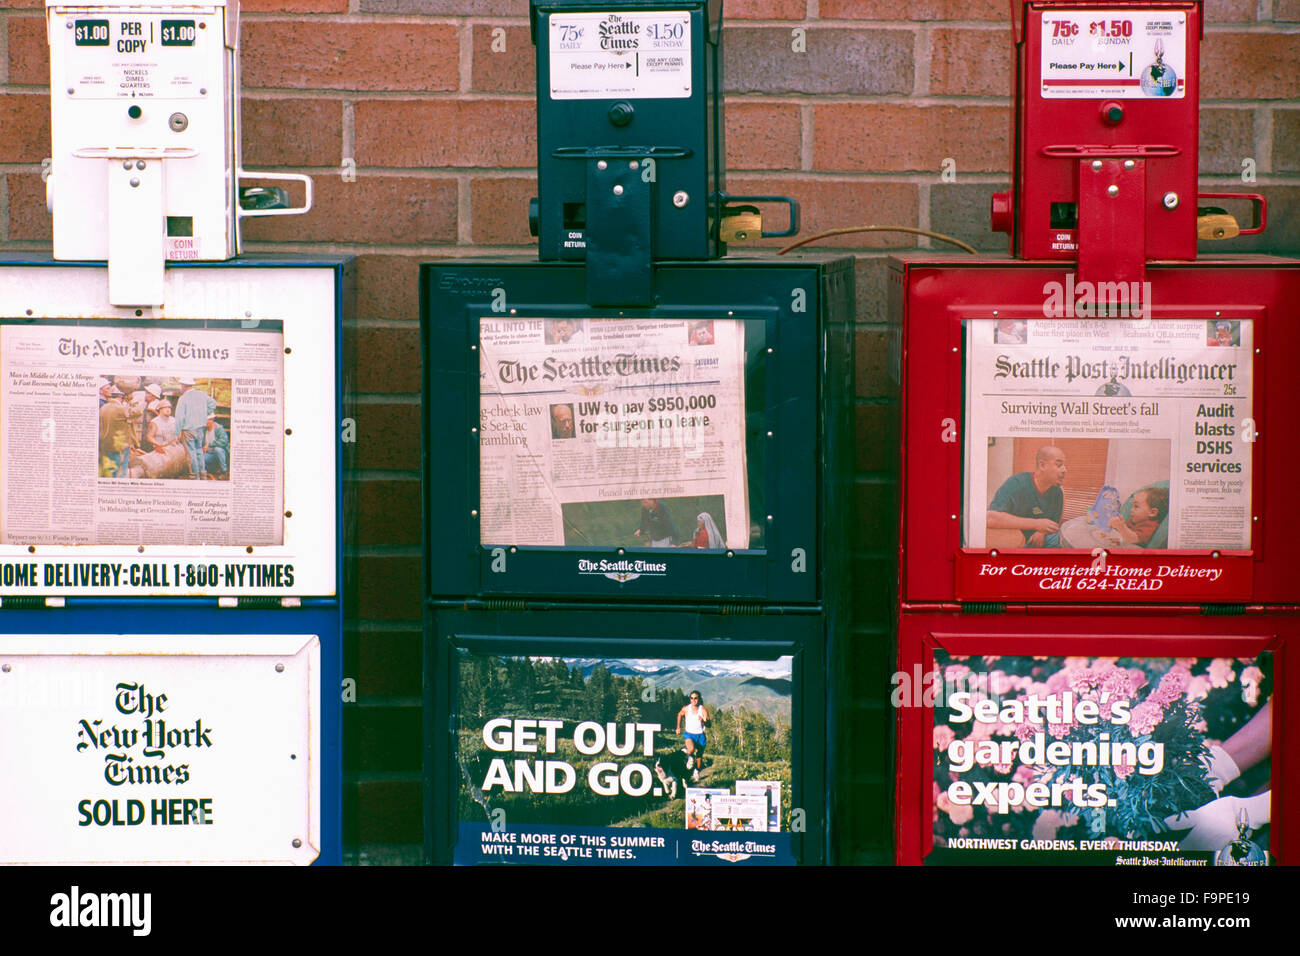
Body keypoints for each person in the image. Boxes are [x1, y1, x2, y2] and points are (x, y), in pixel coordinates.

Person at [986, 445, 1066, 547]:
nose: (1064, 470)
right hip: (1013, 540)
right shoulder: (1016, 483)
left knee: (1062, 541)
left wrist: (1042, 532)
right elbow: (990, 518)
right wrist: (1037, 524)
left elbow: (1053, 524)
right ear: (1042, 465)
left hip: (1040, 540)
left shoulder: (1057, 492)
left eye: (1064, 465)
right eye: (1059, 465)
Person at [174, 377, 217, 479]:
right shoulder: (201, 394)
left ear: (184, 385)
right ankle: (203, 474)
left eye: (181, 385)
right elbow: (213, 404)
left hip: (188, 429)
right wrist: (205, 413)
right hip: (200, 428)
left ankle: (194, 476)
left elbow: (180, 418)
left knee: (191, 454)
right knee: (199, 451)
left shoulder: (183, 398)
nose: (181, 387)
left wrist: (177, 433)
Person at [676, 692, 710, 782]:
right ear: (690, 699)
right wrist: (678, 727)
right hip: (689, 734)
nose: (693, 700)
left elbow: (709, 724)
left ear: (699, 699)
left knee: (699, 756)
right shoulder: (687, 708)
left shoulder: (702, 710)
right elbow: (679, 714)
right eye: (691, 698)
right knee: (691, 749)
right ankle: (690, 758)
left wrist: (703, 720)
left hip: (700, 735)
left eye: (696, 698)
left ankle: (697, 771)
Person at [202, 413, 230, 479]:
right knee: (201, 458)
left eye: (208, 420)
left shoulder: (219, 428)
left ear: (212, 420)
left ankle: (224, 471)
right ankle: (213, 470)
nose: (206, 422)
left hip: (221, 454)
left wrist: (210, 444)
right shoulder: (204, 430)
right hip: (210, 455)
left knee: (218, 449)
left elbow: (224, 441)